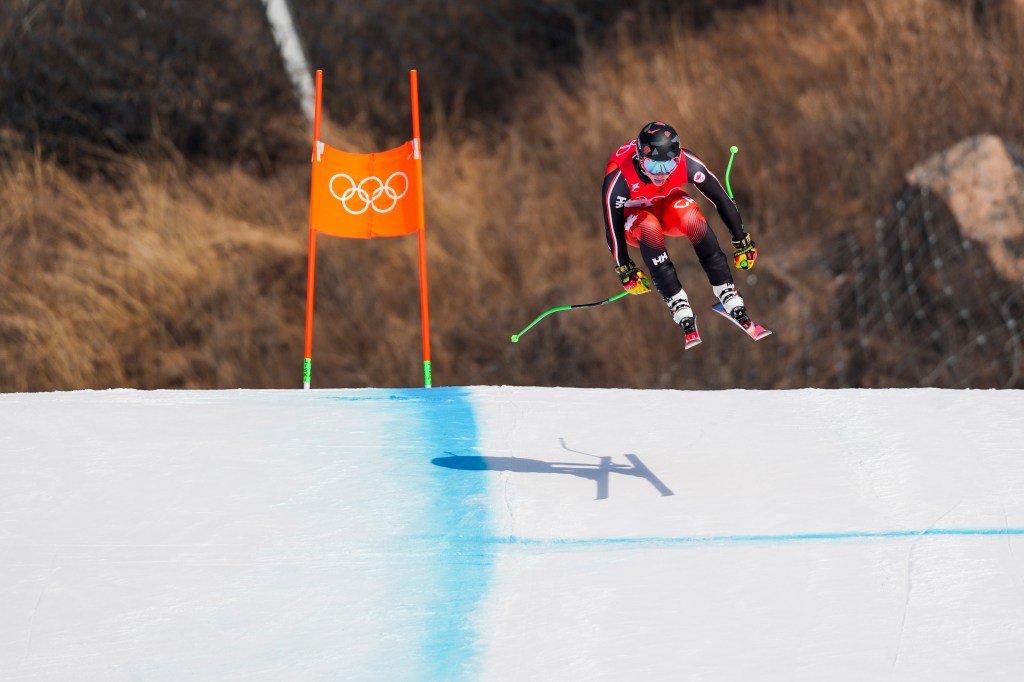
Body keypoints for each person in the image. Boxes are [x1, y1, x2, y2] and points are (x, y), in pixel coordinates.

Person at [601, 121, 758, 339]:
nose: (661, 174)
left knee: (690, 217)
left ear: (677, 158)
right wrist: (625, 268)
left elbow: (720, 198)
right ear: (640, 159)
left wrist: (742, 241)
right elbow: (612, 224)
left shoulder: (687, 162)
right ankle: (677, 301)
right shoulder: (620, 176)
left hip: (667, 205)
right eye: (654, 167)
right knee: (649, 227)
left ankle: (726, 290)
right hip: (633, 216)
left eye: (669, 166)